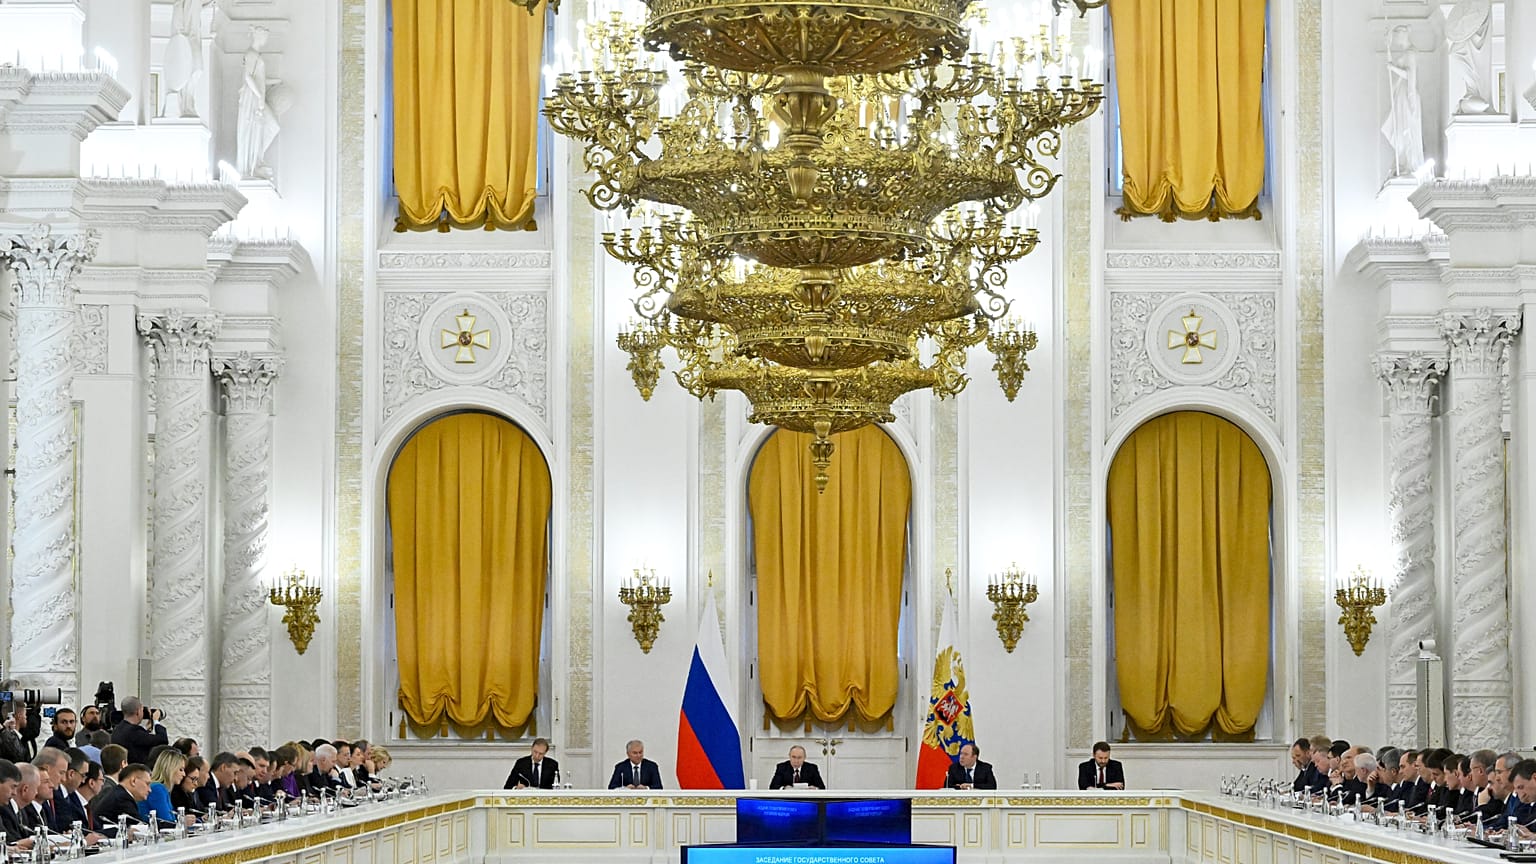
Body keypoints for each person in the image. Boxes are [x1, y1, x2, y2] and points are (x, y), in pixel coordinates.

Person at [93, 763, 151, 837]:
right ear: (133, 781)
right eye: (147, 784)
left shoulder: (119, 792)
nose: (150, 790)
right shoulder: (122, 798)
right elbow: (140, 827)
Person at [109, 697, 168, 766]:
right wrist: (156, 721)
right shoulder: (134, 731)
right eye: (142, 710)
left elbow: (138, 739)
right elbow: (162, 739)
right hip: (137, 771)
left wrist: (146, 729)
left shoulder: (117, 729)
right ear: (138, 711)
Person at [140, 749, 182, 826]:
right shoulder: (157, 789)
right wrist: (183, 821)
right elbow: (167, 822)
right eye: (181, 769)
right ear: (170, 769)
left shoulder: (162, 789)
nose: (184, 774)